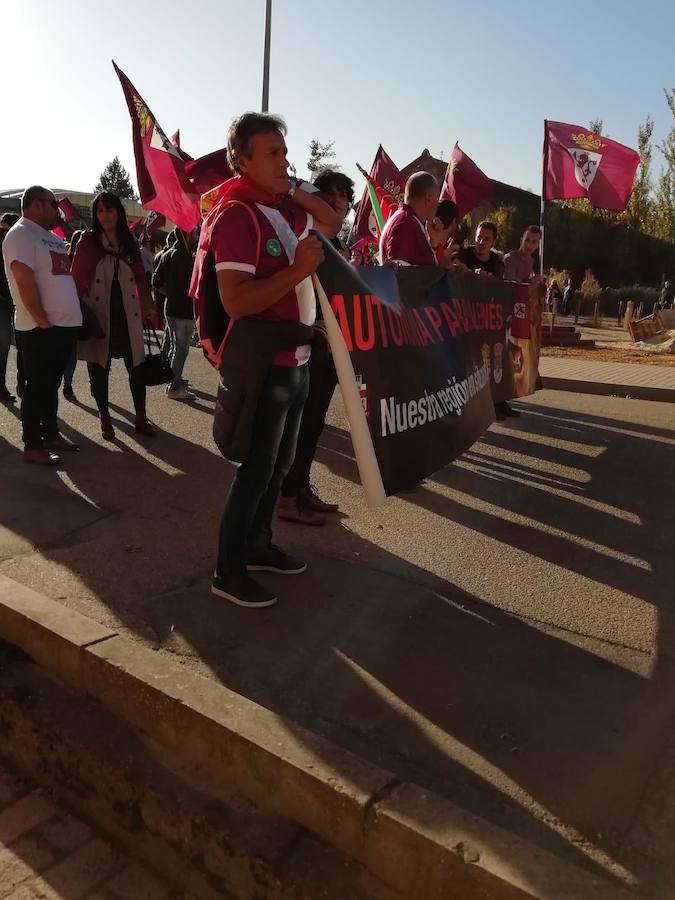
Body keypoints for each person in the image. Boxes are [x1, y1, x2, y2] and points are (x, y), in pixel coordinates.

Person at [191, 111, 342, 608]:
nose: (284, 160)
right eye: (272, 153)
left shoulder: (279, 208)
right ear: (242, 160)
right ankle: (227, 569)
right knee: (257, 470)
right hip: (266, 365)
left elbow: (331, 218)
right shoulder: (237, 214)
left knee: (279, 468)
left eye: (285, 150)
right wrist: (296, 270)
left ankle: (257, 546)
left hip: (294, 360)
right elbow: (236, 301)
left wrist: (290, 183)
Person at [279, 168, 355, 525]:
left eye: (344, 196)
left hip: (329, 347)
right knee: (300, 425)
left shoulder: (337, 243)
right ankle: (288, 496)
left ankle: (301, 487)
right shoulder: (308, 232)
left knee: (313, 427)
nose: (338, 201)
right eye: (332, 193)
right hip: (310, 341)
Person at [1, 186, 82, 464]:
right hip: (39, 328)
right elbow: (23, 279)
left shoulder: (50, 237)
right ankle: (33, 446)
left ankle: (51, 434)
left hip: (62, 326)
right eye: (52, 204)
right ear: (36, 204)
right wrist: (42, 320)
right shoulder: (21, 234)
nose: (57, 210)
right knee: (37, 387)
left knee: (50, 386)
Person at [71, 192, 157, 441]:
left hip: (128, 315)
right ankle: (105, 418)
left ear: (118, 213)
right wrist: (75, 310)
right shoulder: (88, 241)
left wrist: (148, 302)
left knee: (137, 367)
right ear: (95, 215)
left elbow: (140, 275)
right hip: (100, 314)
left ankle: (141, 417)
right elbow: (77, 278)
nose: (105, 215)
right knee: (99, 367)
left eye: (110, 210)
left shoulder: (128, 240)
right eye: (100, 210)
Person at [152, 227, 197, 400]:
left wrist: (170, 293)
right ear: (186, 234)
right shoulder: (185, 257)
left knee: (173, 347)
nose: (194, 236)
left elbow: (155, 282)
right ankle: (173, 386)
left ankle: (171, 380)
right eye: (192, 233)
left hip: (171, 307)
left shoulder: (166, 254)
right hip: (183, 310)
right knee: (180, 349)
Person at [379, 171, 440, 267]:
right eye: (437, 200)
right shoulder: (405, 224)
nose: (437, 206)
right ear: (428, 198)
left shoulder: (407, 220)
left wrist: (434, 243)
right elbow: (401, 276)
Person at [0, 213, 20, 402]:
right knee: (3, 344)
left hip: (16, 303)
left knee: (20, 346)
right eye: (2, 229)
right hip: (3, 304)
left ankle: (21, 385)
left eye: (9, 230)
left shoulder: (18, 246)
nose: (5, 233)